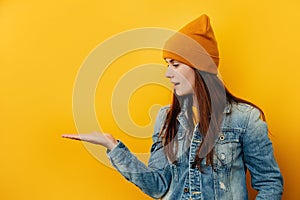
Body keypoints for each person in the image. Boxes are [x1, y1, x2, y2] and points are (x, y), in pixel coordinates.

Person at [62, 14, 283, 199]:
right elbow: (158, 185)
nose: (168, 73)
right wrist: (113, 147)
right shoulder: (166, 118)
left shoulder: (245, 120)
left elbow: (270, 183)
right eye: (168, 65)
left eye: (175, 65)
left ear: (200, 68)